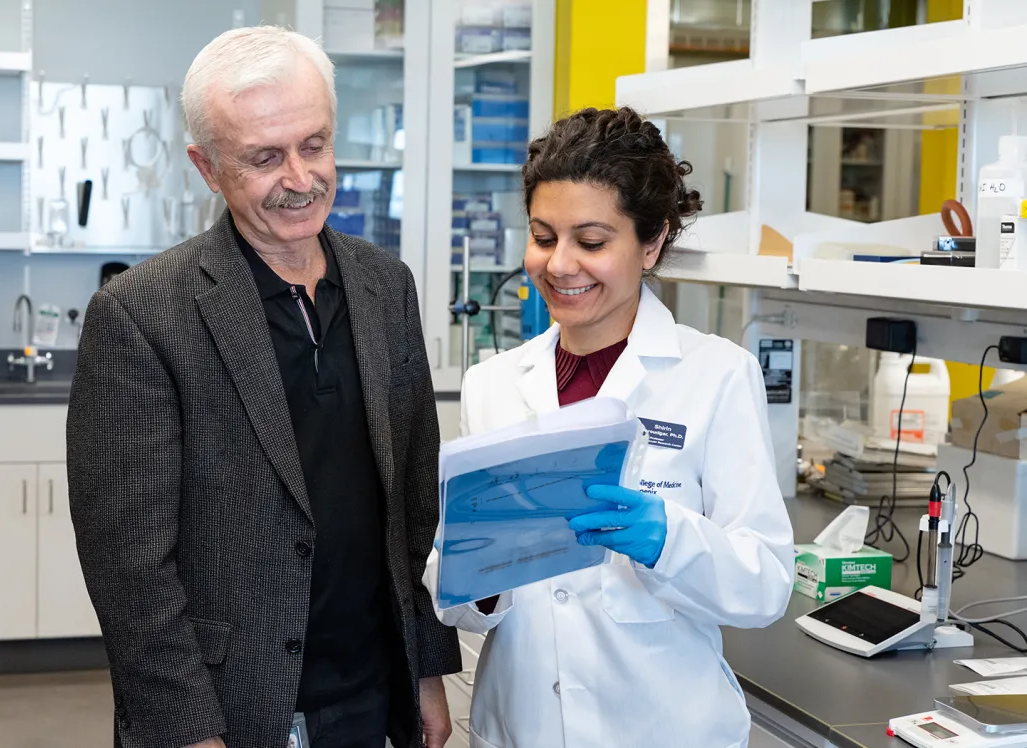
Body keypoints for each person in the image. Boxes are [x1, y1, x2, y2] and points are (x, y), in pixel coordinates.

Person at [67, 26, 460, 748]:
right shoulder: (141, 315)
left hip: (375, 692)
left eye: (314, 145)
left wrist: (428, 670)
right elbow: (129, 568)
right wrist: (188, 731)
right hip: (235, 710)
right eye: (264, 158)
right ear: (207, 167)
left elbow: (414, 504)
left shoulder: (384, 286)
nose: (301, 178)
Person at [425, 107, 795, 748]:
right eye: (543, 237)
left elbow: (764, 585)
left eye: (591, 242)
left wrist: (665, 537)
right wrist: (478, 576)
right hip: (521, 727)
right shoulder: (492, 384)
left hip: (665, 728)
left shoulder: (715, 375)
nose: (560, 264)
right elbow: (453, 601)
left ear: (651, 243)